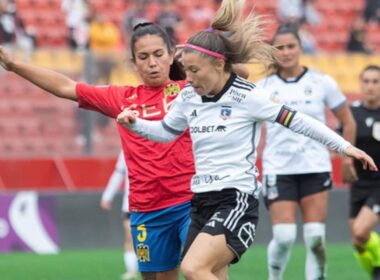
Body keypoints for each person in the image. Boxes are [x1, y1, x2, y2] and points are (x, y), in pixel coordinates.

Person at [115, 1, 377, 279]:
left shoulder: (248, 96)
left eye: (194, 70)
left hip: (236, 199)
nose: (187, 78)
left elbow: (299, 121)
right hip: (201, 200)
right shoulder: (188, 96)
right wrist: (135, 124)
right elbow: (165, 132)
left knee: (193, 268)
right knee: (213, 272)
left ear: (218, 63)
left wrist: (346, 147)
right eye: (186, 70)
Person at [0, 22, 194, 280]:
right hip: (147, 210)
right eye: (143, 57)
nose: (152, 63)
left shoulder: (191, 91)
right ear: (133, 63)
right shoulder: (121, 97)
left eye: (159, 54)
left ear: (171, 55)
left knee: (199, 268)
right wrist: (14, 66)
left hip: (191, 203)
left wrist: (195, 52)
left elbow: (238, 74)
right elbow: (66, 87)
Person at [256, 23, 357, 280]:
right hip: (278, 168)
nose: (286, 52)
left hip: (315, 166)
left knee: (314, 237)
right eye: (280, 47)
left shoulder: (322, 82)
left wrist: (346, 159)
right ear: (273, 51)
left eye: (291, 46)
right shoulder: (262, 87)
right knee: (284, 236)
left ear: (301, 48)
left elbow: (348, 120)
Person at [345, 65, 380, 280]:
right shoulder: (352, 114)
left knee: (360, 230)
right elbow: (338, 143)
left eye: (375, 82)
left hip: (379, 183)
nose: (370, 86)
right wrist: (344, 160)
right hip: (359, 184)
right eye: (366, 81)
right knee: (358, 242)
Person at [100, 151, 138, 280]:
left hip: (152, 203)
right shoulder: (126, 150)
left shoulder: (155, 142)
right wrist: (107, 196)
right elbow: (118, 173)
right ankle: (132, 270)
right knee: (130, 237)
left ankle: (147, 267)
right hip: (130, 203)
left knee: (147, 239)